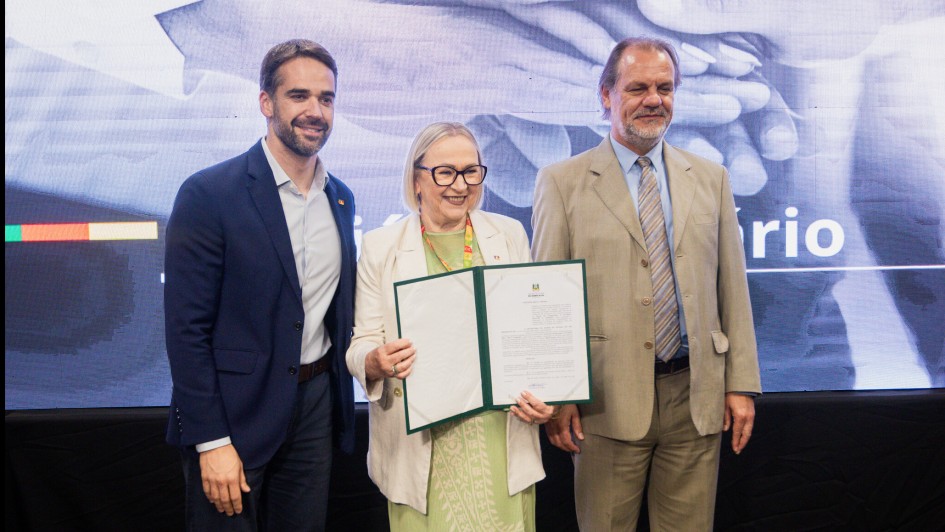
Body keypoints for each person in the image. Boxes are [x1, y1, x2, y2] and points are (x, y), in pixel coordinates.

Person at [531, 37, 762, 530]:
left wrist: (741, 382)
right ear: (606, 95)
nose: (654, 99)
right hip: (604, 404)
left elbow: (732, 290)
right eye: (637, 87)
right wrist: (560, 391)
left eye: (664, 87)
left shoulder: (711, 177)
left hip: (696, 397)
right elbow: (547, 297)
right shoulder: (562, 181)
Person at [164, 39, 356, 530]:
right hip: (233, 418)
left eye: (327, 98)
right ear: (266, 103)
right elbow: (186, 332)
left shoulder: (340, 199)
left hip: (315, 411)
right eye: (299, 96)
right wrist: (211, 441)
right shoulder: (208, 194)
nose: (316, 111)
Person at [346, 121, 554, 530]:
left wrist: (547, 394)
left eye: (471, 171)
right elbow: (363, 342)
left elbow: (531, 333)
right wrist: (374, 360)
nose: (460, 185)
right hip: (423, 442)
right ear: (416, 178)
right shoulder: (380, 246)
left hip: (499, 433)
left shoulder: (509, 234)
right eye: (445, 172)